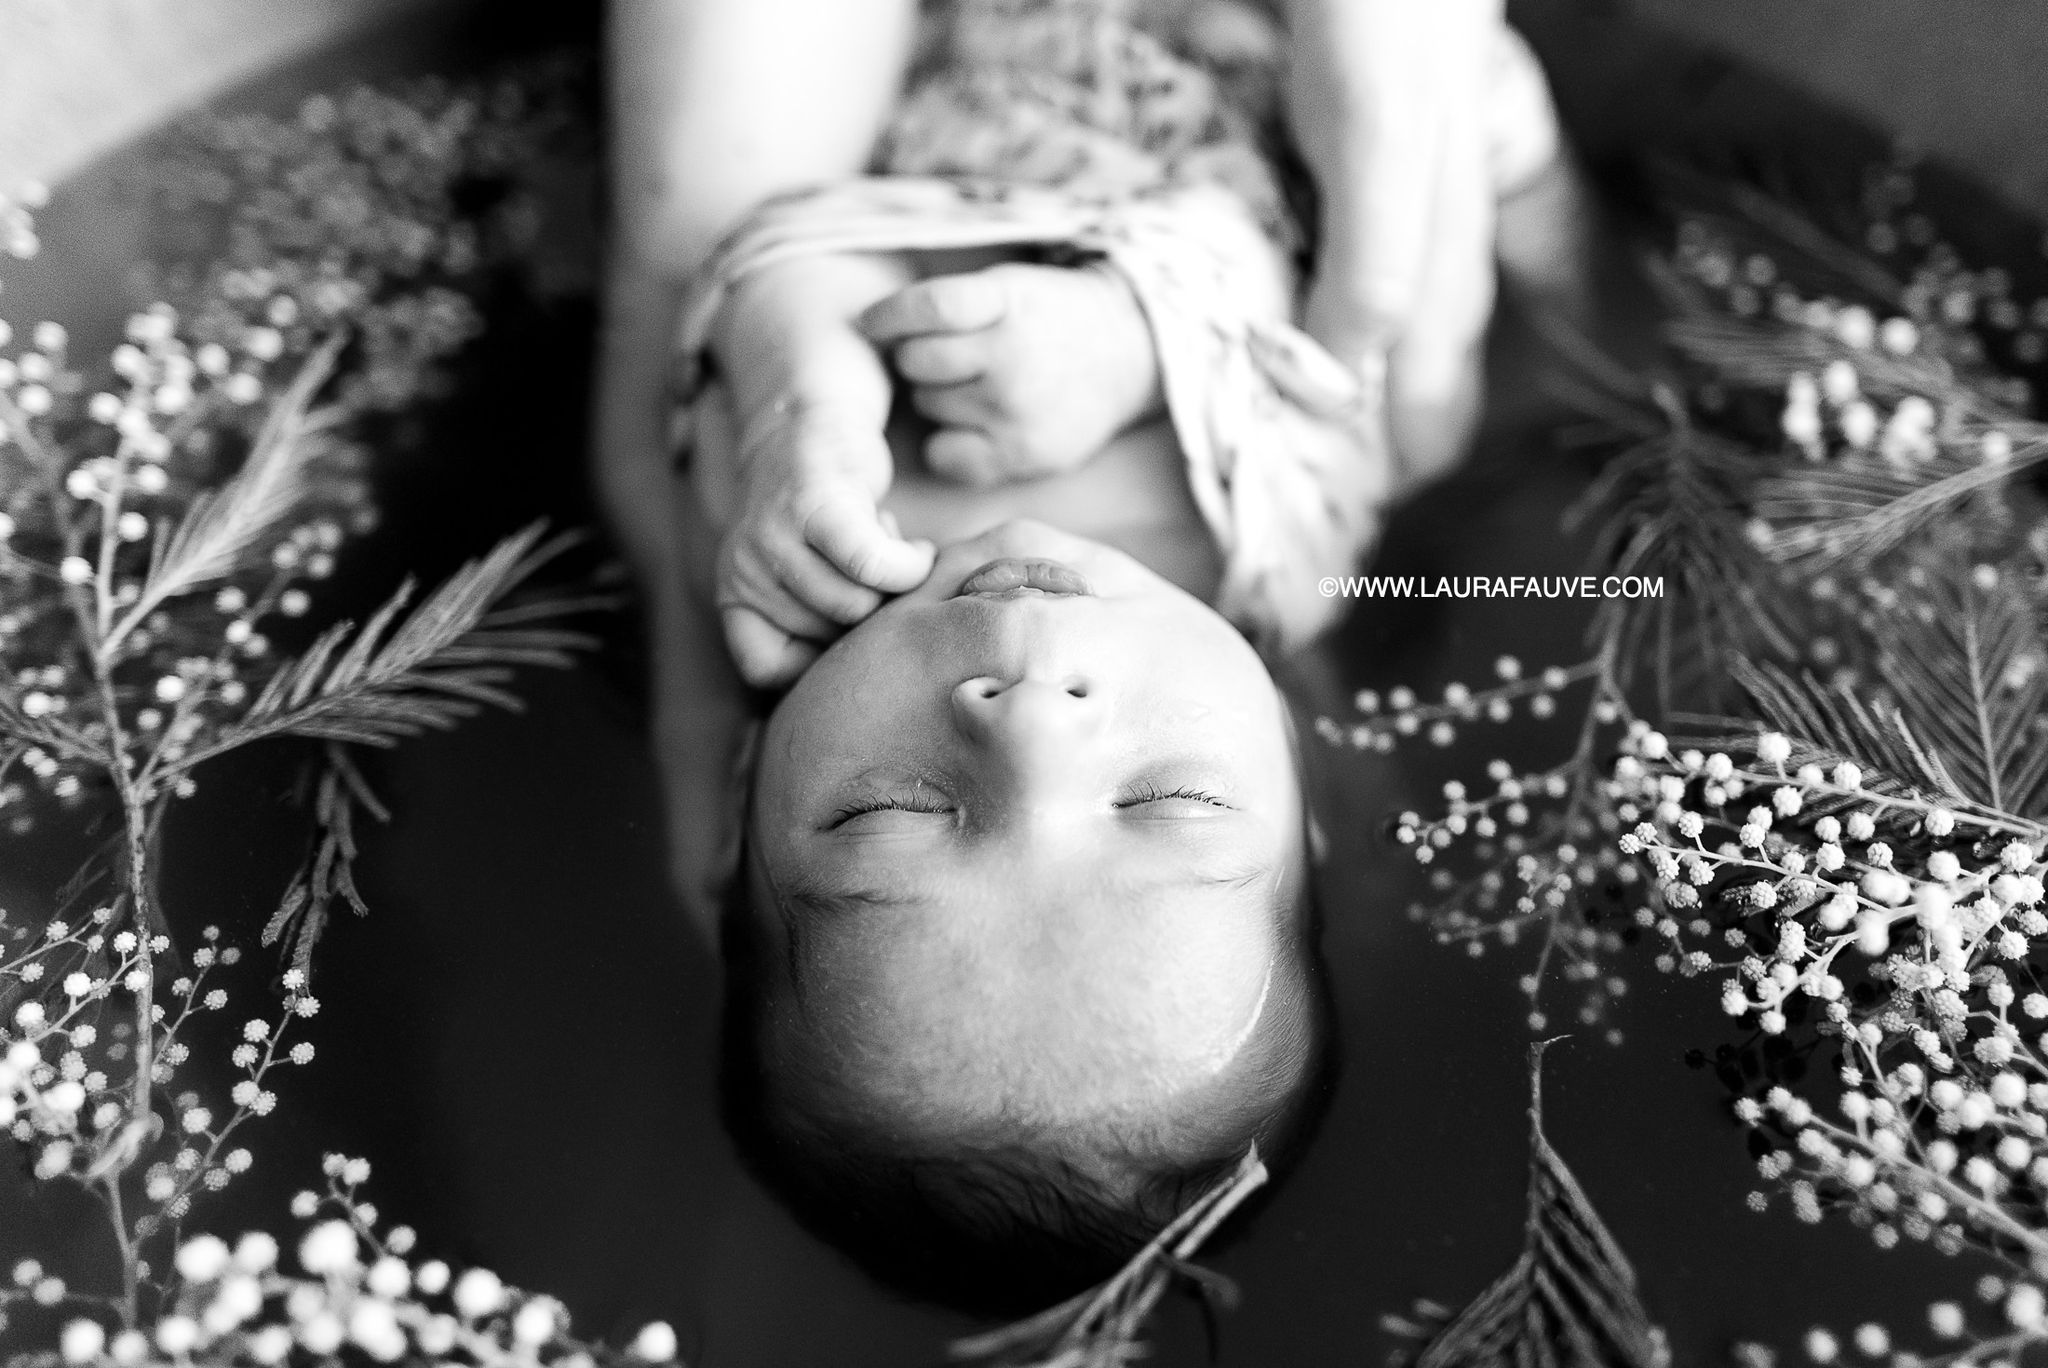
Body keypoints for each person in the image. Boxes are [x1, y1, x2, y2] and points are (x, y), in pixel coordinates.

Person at [592, 0, 1578, 1308]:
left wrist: (794, 386)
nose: (1030, 719)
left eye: (893, 811)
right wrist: (1131, 332)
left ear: (745, 806)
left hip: (944, 46)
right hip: (1254, 51)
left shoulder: (799, 541)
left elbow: (765, 258)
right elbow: (1339, 366)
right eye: (1167, 801)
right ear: (1306, 807)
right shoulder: (1280, 564)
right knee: (1487, 181)